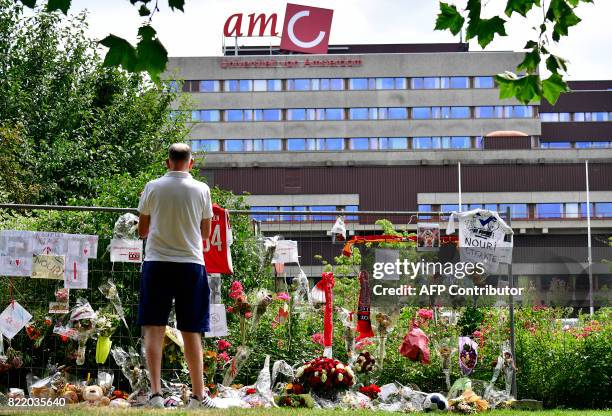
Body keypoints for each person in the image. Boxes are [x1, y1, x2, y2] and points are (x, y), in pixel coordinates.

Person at [137, 143, 217, 409]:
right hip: (190, 264)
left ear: (168, 162)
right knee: (192, 330)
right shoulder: (202, 189)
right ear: (191, 163)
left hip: (157, 262)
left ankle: (156, 394)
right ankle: (197, 396)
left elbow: (142, 231)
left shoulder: (152, 187)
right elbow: (205, 234)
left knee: (153, 327)